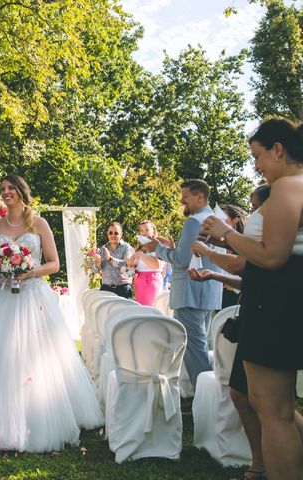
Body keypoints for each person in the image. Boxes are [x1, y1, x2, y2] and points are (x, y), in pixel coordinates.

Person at [0, 174, 104, 452]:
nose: (6, 193)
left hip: (31, 297)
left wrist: (30, 271)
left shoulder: (38, 223)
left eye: (11, 188)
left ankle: (39, 417)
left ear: (22, 191)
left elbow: (54, 264)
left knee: (35, 358)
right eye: (2, 189)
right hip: (0, 295)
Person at [201, 118, 303, 480]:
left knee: (272, 411)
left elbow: (272, 255)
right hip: (273, 299)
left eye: (257, 156)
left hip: (274, 302)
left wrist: (226, 233)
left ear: (278, 149)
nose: (256, 166)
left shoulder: (290, 186)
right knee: (274, 407)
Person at [143, 179, 222, 388]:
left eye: (185, 197)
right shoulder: (216, 220)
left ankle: (204, 400)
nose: (181, 200)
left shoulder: (194, 222)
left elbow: (181, 261)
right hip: (210, 293)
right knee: (201, 347)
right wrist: (173, 248)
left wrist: (157, 248)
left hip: (190, 293)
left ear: (200, 197)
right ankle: (205, 397)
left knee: (195, 353)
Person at [90, 222, 134, 298]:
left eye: (116, 233)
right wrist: (98, 262)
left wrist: (110, 259)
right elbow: (94, 271)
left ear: (121, 234)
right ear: (107, 234)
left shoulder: (127, 248)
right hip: (106, 289)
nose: (113, 235)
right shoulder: (103, 249)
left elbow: (128, 270)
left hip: (123, 289)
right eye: (110, 233)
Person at [127, 220, 165, 306]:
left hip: (152, 282)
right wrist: (130, 266)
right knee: (141, 311)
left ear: (153, 231)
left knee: (152, 310)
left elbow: (157, 265)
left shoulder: (159, 246)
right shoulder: (137, 248)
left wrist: (140, 255)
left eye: (147, 230)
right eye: (141, 230)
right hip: (139, 283)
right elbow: (130, 268)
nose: (144, 233)